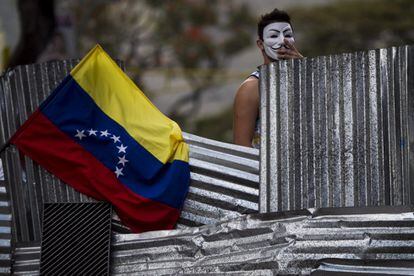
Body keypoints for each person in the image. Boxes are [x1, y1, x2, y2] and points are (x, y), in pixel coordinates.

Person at [233, 9, 303, 148]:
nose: (283, 41)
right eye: (273, 36)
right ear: (261, 44)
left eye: (288, 35)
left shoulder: (304, 78)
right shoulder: (252, 88)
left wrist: (305, 67)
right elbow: (241, 146)